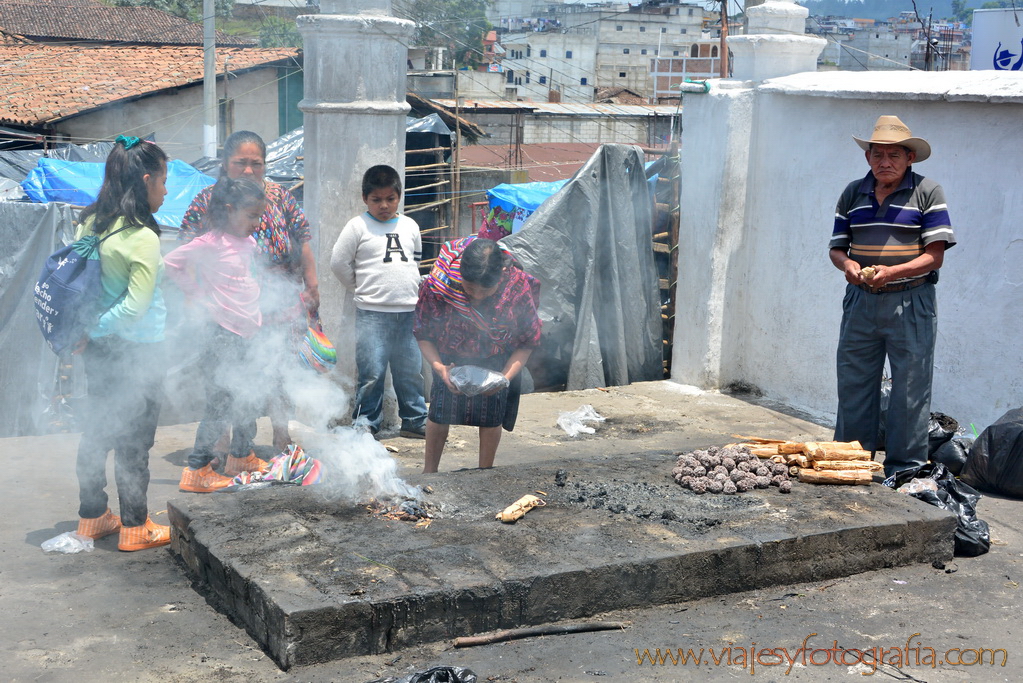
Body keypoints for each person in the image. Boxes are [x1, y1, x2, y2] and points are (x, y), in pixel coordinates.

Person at [829, 115, 956, 477]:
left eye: (894, 155)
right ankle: (851, 462)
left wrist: (892, 273)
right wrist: (848, 265)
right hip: (860, 301)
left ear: (909, 158)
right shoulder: (853, 193)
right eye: (877, 154)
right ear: (868, 157)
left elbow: (935, 255)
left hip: (911, 300)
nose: (885, 162)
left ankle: (904, 470)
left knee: (910, 388)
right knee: (854, 383)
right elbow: (837, 248)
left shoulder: (927, 192)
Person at [179, 130, 319, 452]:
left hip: (279, 301)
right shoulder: (207, 201)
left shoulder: (280, 197)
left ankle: (282, 436)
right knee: (225, 374)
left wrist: (312, 286)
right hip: (226, 304)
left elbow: (304, 241)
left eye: (256, 164)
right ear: (225, 164)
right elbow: (187, 250)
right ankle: (222, 441)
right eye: (240, 163)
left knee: (278, 371)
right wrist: (193, 298)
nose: (248, 170)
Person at [72, 135, 171, 551]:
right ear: (146, 180)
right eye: (163, 182)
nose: (166, 191)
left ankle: (93, 517)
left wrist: (86, 330)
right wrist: (98, 328)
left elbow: (79, 285)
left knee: (97, 429)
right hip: (136, 350)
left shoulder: (90, 223)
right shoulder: (141, 236)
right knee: (134, 440)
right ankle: (135, 526)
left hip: (98, 350)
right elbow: (134, 307)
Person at [166, 177, 268, 492]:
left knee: (248, 395)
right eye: (251, 215)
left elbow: (244, 279)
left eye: (258, 215)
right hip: (221, 334)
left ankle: (241, 454)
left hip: (249, 333)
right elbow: (172, 263)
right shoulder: (210, 242)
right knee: (220, 403)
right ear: (229, 210)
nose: (256, 222)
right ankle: (197, 468)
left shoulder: (249, 243)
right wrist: (196, 295)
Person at [413, 236, 542, 473]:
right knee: (439, 413)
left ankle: (485, 473)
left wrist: (503, 378)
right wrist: (440, 368)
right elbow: (423, 332)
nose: (477, 296)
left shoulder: (516, 287)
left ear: (501, 275)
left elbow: (527, 341)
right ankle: (429, 473)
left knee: (491, 417)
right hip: (450, 359)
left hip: (497, 360)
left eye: (486, 290)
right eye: (470, 287)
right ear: (460, 273)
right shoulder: (439, 284)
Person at [331, 165, 428, 438]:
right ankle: (365, 423)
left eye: (390, 199)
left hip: (408, 312)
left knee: (410, 371)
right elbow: (338, 263)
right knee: (372, 372)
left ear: (399, 197)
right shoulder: (357, 226)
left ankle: (415, 420)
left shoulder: (410, 226)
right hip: (372, 313)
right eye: (376, 200)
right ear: (365, 198)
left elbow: (415, 261)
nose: (384, 205)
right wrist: (359, 288)